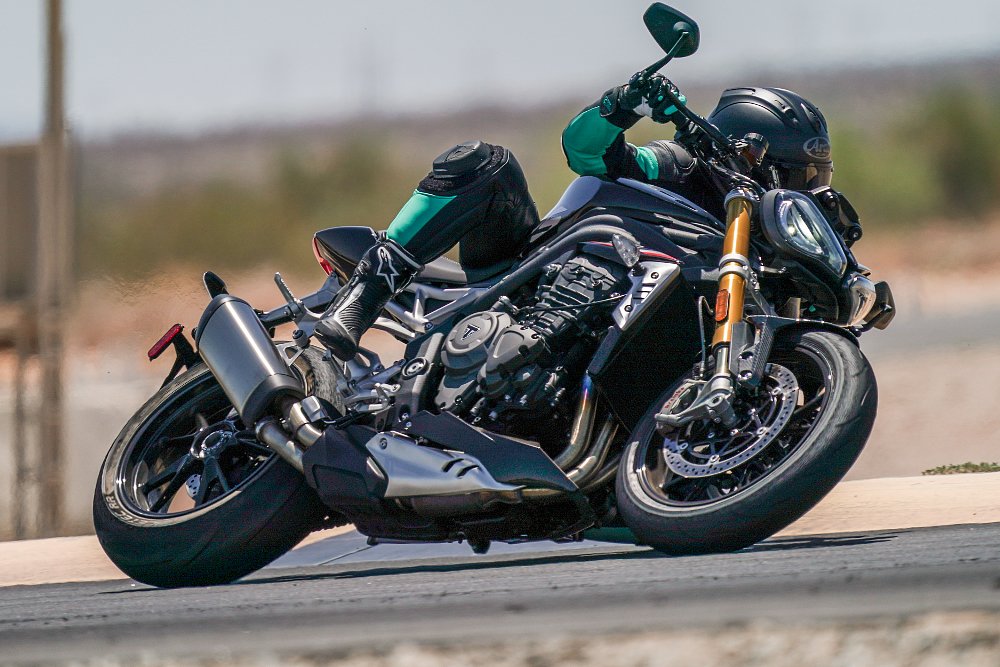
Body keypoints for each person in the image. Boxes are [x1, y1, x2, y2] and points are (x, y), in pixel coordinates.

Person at [314, 77, 834, 361]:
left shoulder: (763, 242)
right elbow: (586, 152)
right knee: (487, 162)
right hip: (529, 272)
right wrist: (623, 103)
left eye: (812, 177)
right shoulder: (681, 167)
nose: (800, 189)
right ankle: (361, 301)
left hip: (622, 337)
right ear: (749, 152)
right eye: (794, 174)